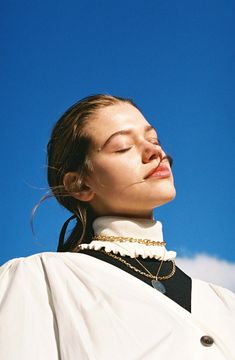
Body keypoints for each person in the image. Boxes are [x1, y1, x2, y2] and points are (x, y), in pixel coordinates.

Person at [0, 94, 234, 360]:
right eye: (123, 146)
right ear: (80, 185)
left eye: (154, 139)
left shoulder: (224, 302)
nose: (155, 152)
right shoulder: (40, 280)